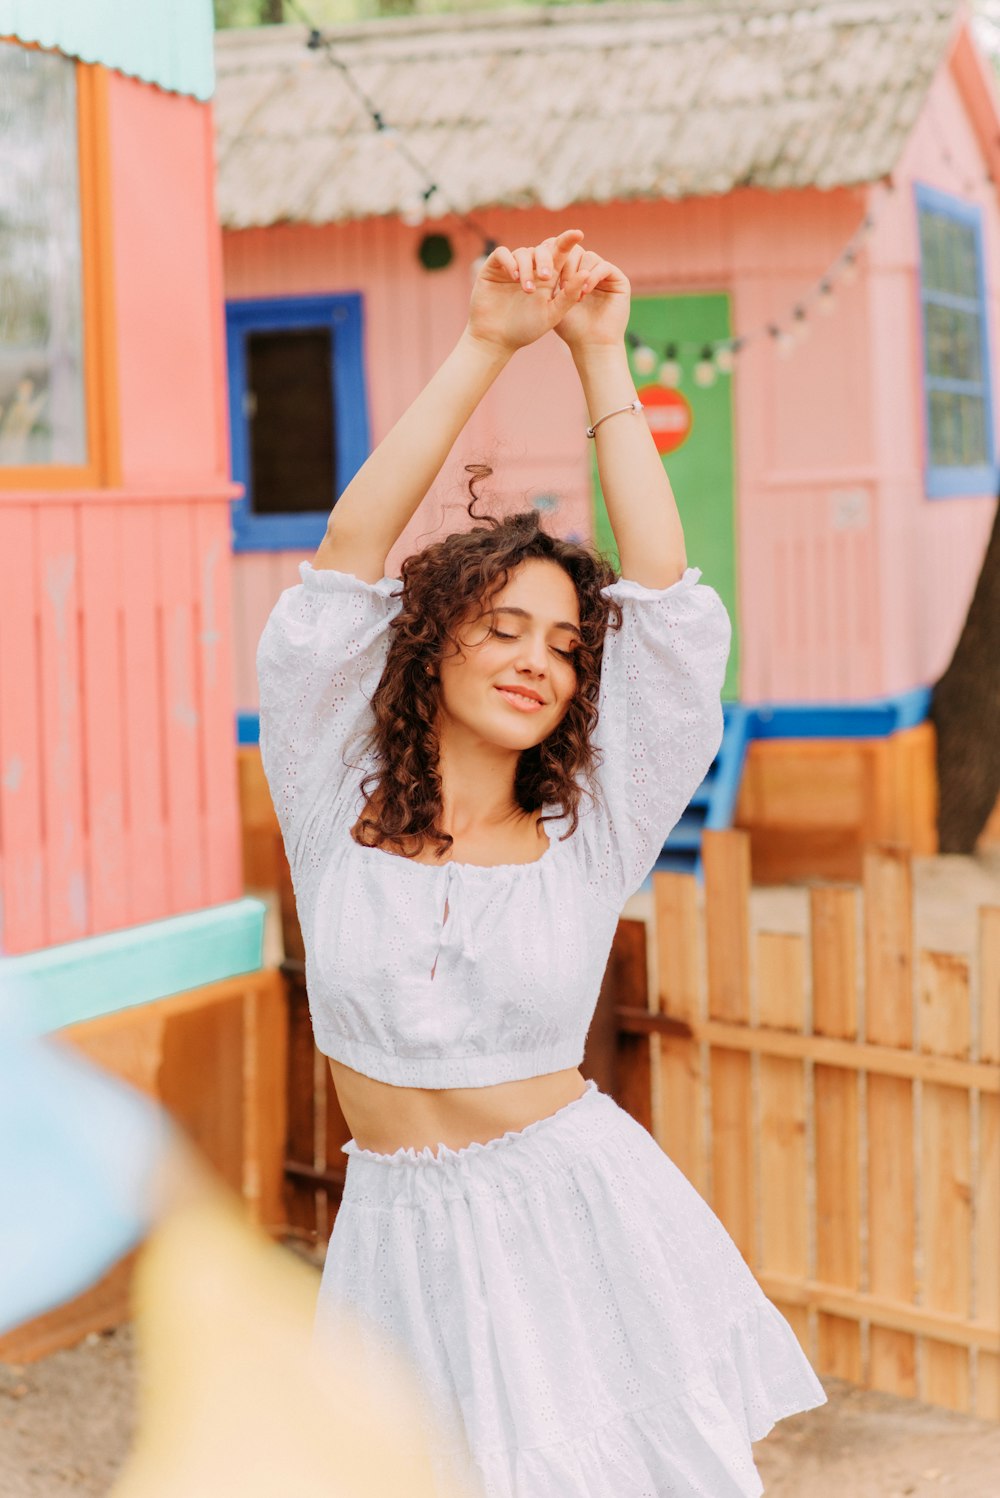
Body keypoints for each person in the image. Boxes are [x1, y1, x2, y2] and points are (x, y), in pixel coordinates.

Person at [256, 228, 827, 1497]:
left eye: (567, 646)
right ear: (430, 648)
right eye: (502, 626)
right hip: (399, 1250)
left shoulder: (590, 831)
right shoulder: (327, 802)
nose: (537, 660)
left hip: (578, 1229)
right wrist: (484, 343)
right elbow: (343, 563)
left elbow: (671, 614)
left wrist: (600, 356)